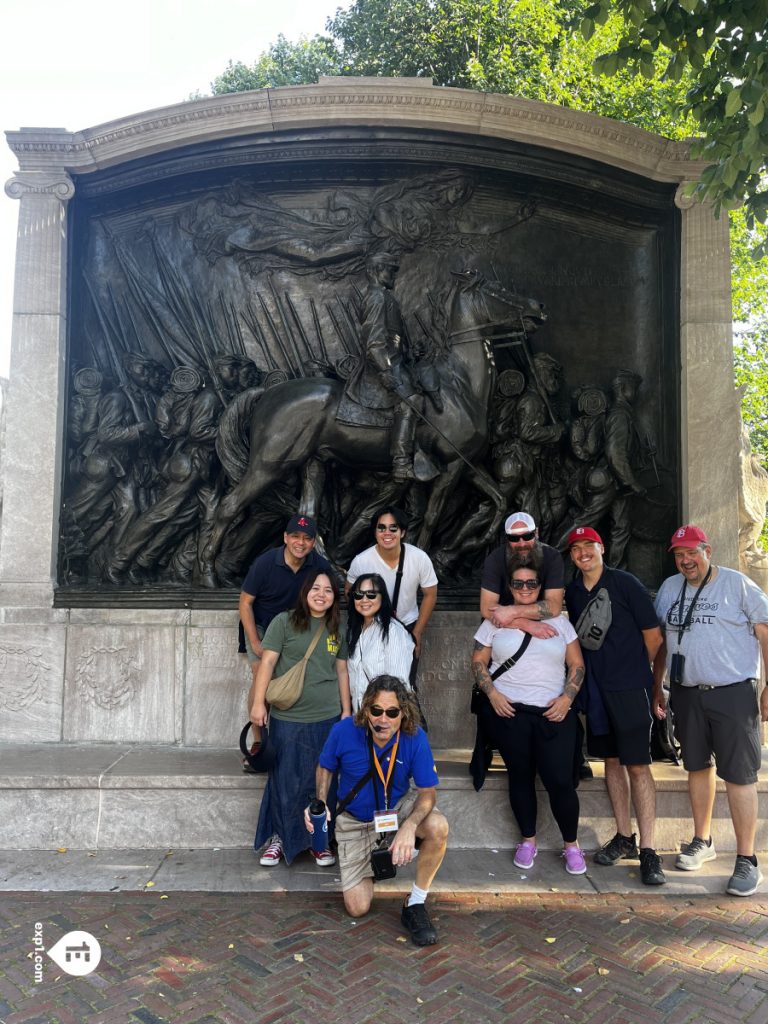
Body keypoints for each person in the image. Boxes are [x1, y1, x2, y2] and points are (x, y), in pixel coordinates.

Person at [653, 524, 768, 897]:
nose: (686, 560)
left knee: (740, 775)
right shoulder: (670, 588)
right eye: (679, 554)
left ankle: (747, 860)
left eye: (692, 552)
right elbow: (661, 643)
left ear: (708, 550)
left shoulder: (737, 584)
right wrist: (658, 686)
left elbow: (765, 632)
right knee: (697, 768)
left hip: (732, 692)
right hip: (687, 693)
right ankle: (703, 840)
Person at [309, 676, 449, 945]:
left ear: (403, 713)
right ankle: (377, 857)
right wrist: (321, 803)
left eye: (392, 712)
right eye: (376, 711)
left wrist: (409, 827)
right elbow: (325, 766)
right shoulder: (343, 731)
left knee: (437, 826)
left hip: (395, 812)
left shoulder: (415, 737)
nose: (383, 719)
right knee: (357, 907)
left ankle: (416, 903)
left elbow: (428, 793)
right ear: (366, 710)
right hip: (355, 822)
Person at [471, 557, 587, 874]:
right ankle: (528, 840)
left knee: (560, 781)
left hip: (554, 713)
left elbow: (577, 665)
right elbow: (479, 662)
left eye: (531, 583)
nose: (525, 588)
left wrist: (567, 698)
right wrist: (492, 694)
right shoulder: (494, 621)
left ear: (540, 587)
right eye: (518, 583)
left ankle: (572, 845)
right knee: (520, 778)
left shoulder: (561, 622)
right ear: (510, 587)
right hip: (511, 712)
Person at [564, 526, 666, 886]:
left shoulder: (626, 584)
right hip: (595, 690)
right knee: (610, 761)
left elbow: (654, 638)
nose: (582, 553)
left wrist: (640, 676)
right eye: (576, 549)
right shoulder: (574, 592)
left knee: (637, 766)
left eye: (588, 546)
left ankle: (650, 850)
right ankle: (625, 837)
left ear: (601, 547)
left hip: (629, 689)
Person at [250, 569, 351, 868]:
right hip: (287, 717)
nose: (321, 594)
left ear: (335, 596)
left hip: (327, 717)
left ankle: (319, 842)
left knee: (322, 783)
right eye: (315, 588)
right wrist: (258, 704)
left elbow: (342, 670)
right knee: (285, 780)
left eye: (328, 590)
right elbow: (266, 663)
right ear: (305, 592)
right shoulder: (284, 622)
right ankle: (280, 837)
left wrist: (346, 711)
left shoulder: (338, 626)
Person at [239, 514, 331, 711]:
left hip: (296, 626)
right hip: (262, 625)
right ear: (285, 537)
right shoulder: (265, 563)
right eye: (295, 536)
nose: (301, 543)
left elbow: (328, 600)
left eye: (307, 538)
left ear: (313, 543)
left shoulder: (320, 566)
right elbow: (245, 603)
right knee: (261, 674)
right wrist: (255, 642)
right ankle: (258, 739)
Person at [346, 505, 438, 681]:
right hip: (370, 627)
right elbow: (350, 591)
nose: (387, 533)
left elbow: (430, 594)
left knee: (403, 685)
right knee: (366, 683)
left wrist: (417, 632)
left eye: (393, 528)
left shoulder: (419, 558)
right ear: (375, 532)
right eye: (381, 528)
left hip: (406, 626)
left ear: (402, 532)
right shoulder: (361, 561)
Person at [480, 512, 564, 636]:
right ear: (507, 538)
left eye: (527, 536)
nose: (522, 543)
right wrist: (526, 624)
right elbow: (487, 608)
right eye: (514, 538)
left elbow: (555, 606)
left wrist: (512, 611)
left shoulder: (553, 557)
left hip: (546, 626)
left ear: (536, 533)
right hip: (502, 629)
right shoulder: (495, 559)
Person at [346, 573, 415, 711]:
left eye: (371, 594)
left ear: (382, 597)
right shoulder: (354, 631)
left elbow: (399, 685)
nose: (364, 599)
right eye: (359, 595)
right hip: (358, 715)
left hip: (383, 717)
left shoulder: (393, 631)